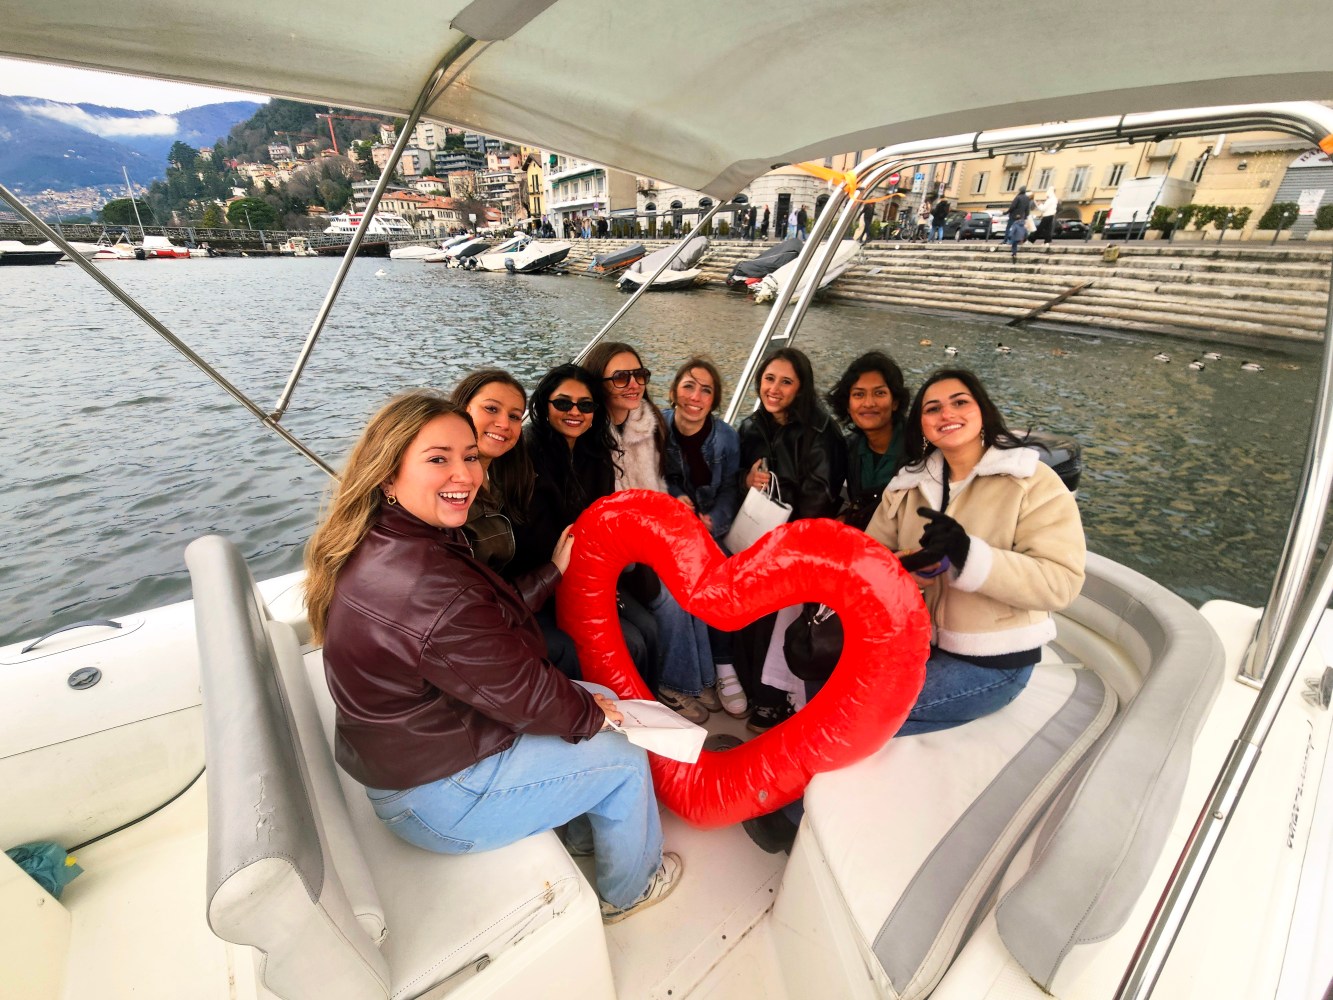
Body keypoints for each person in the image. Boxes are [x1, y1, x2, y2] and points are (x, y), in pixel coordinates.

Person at [306, 390, 681, 923]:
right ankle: (631, 890)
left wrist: (588, 700)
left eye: (470, 456)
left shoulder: (388, 539)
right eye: (438, 459)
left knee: (594, 699)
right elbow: (522, 690)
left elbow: (482, 630)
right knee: (623, 754)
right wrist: (590, 716)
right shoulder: (425, 582)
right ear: (388, 475)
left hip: (421, 749)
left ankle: (578, 825)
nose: (465, 473)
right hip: (437, 796)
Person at [867, 368, 1086, 734]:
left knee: (862, 718)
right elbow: (871, 563)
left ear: (982, 410)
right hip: (916, 646)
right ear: (921, 425)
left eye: (960, 402)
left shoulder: (1031, 481)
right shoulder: (906, 486)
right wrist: (912, 569)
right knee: (831, 695)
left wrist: (970, 555)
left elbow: (1060, 582)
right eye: (932, 408)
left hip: (994, 660)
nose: (947, 414)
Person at [584, 341, 720, 724]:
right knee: (670, 597)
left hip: (653, 533)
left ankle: (702, 677)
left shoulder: (649, 422)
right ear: (599, 382)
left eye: (639, 375)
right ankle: (676, 685)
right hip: (616, 551)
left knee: (697, 582)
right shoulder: (591, 433)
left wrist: (675, 503)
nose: (633, 385)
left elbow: (664, 479)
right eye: (621, 377)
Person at [515, 364, 661, 690]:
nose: (575, 412)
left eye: (586, 405)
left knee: (650, 627)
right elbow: (537, 540)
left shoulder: (594, 453)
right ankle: (622, 720)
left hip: (589, 574)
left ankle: (650, 711)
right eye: (563, 403)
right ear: (544, 405)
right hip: (548, 579)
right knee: (632, 642)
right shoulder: (528, 456)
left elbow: (604, 523)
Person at [736, 347, 848, 731]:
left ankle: (771, 698)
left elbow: (820, 499)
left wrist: (781, 550)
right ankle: (749, 684)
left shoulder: (820, 433)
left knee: (772, 610)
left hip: (799, 542)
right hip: (755, 537)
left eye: (786, 382)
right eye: (769, 379)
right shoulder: (751, 427)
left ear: (801, 388)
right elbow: (736, 481)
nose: (775, 389)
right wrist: (745, 480)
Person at [451, 369, 582, 678]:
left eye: (514, 416)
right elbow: (469, 605)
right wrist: (553, 571)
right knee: (563, 648)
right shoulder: (449, 493)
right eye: (491, 409)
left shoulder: (507, 477)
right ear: (461, 409)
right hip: (474, 629)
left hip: (504, 607)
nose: (503, 425)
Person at [662, 356, 747, 717]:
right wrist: (671, 498)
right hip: (668, 527)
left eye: (706, 390)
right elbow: (650, 473)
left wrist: (713, 521)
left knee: (722, 576)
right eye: (689, 386)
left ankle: (723, 668)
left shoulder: (726, 438)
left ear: (714, 400)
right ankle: (695, 674)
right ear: (674, 392)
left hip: (709, 525)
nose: (696, 396)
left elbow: (729, 489)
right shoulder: (656, 427)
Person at [825, 351, 910, 530]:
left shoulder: (918, 449)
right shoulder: (849, 448)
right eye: (858, 394)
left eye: (879, 393)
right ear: (848, 406)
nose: (869, 403)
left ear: (895, 402)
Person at [1006, 185, 1034, 262]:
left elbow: (1013, 206)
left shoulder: (1018, 197)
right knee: (1020, 230)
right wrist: (1026, 216)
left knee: (1010, 229)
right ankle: (1018, 245)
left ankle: (1008, 242)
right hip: (1022, 217)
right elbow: (1027, 209)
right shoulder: (1027, 199)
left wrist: (1007, 212)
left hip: (1014, 216)